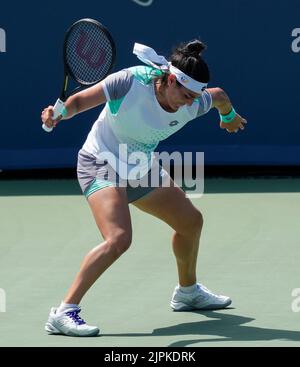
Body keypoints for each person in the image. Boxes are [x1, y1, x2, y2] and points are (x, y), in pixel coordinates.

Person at [41, 39, 247, 337]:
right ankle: (63, 312)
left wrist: (229, 117)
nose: (189, 102)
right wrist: (58, 114)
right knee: (119, 239)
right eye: (185, 94)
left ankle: (187, 293)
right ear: (169, 79)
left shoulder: (195, 101)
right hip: (100, 162)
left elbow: (219, 97)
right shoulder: (131, 82)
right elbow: (79, 102)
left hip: (140, 166)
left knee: (190, 222)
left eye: (194, 97)